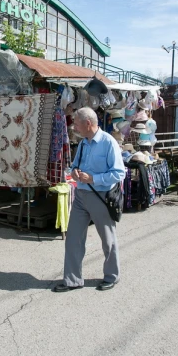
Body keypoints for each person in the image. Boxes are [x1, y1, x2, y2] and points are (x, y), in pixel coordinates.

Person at [53, 107, 125, 292]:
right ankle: (73, 280)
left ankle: (111, 276)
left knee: (108, 240)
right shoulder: (84, 143)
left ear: (88, 123)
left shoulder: (109, 142)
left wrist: (93, 178)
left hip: (100, 197)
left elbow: (119, 173)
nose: (74, 126)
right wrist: (75, 172)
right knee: (73, 239)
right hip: (81, 196)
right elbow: (75, 166)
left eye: (76, 123)